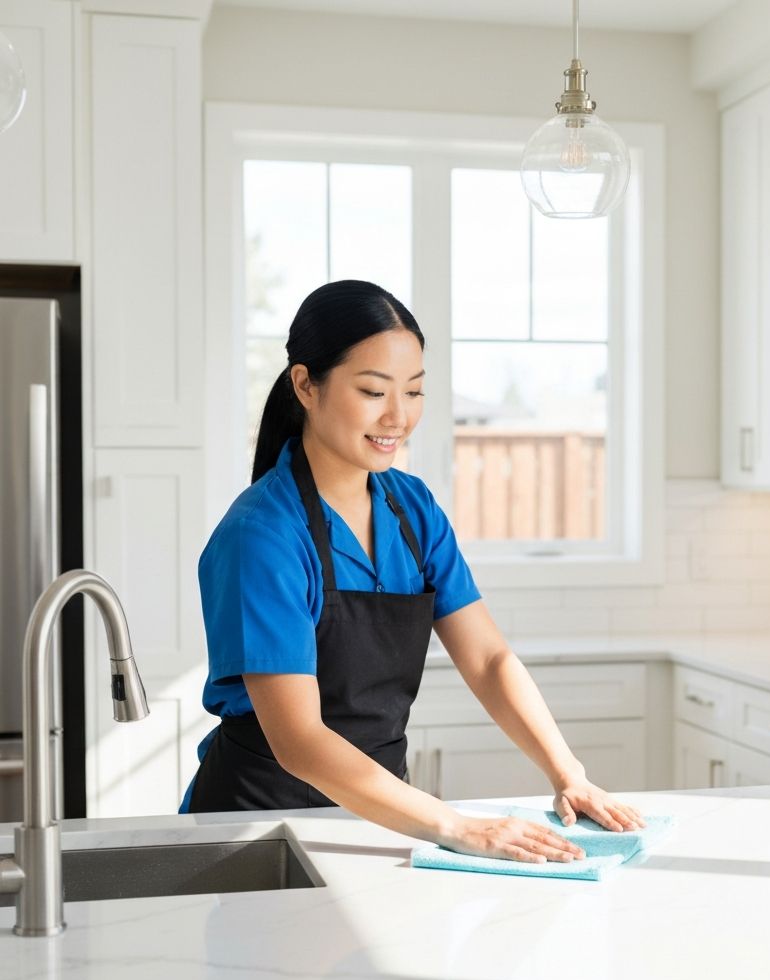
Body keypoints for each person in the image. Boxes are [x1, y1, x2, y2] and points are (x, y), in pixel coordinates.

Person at [180, 280, 645, 865]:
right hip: (259, 827)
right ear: (305, 384)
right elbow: (299, 741)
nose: (397, 417)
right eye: (374, 391)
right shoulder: (262, 534)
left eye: (415, 392)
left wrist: (567, 771)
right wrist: (456, 825)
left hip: (383, 815)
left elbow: (489, 659)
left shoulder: (412, 510)